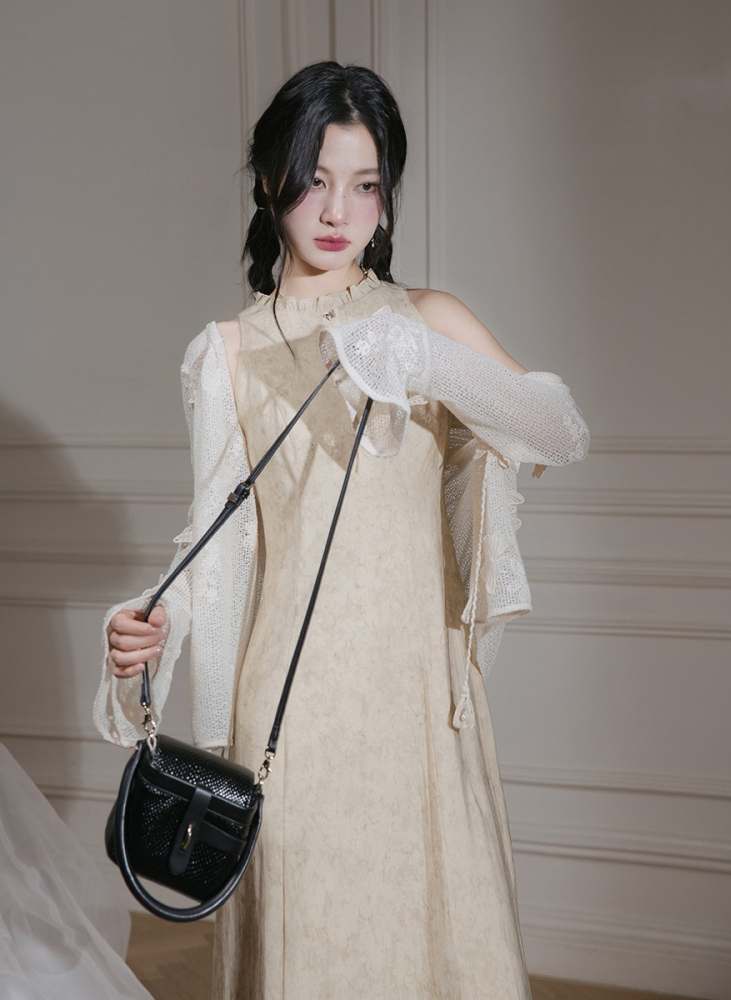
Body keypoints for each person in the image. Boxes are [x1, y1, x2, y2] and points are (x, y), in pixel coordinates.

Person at [94, 61, 590, 999]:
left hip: (417, 698)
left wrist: (424, 360)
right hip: (291, 708)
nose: (337, 210)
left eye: (365, 186)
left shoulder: (425, 320)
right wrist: (154, 626)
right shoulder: (227, 353)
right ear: (268, 179)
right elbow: (218, 540)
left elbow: (558, 432)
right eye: (315, 179)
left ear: (387, 198)